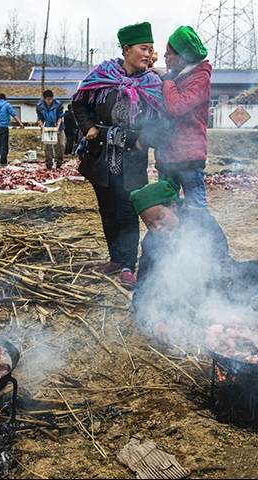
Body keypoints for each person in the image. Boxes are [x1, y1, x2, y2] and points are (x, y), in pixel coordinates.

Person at [72, 21, 166, 289]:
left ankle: (128, 265)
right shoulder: (103, 76)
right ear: (126, 50)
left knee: (127, 211)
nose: (149, 54)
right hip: (101, 157)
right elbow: (79, 103)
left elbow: (163, 121)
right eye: (143, 48)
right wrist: (88, 126)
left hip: (131, 161)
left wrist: (144, 140)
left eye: (151, 49)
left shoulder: (152, 84)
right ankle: (115, 258)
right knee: (108, 210)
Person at [130, 179, 258, 347]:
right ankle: (198, 313)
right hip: (180, 292)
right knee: (166, 295)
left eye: (160, 217)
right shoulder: (150, 243)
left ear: (174, 206)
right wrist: (156, 322)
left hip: (213, 283)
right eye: (149, 224)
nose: (157, 227)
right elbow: (142, 290)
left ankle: (232, 309)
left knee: (255, 271)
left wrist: (217, 302)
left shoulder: (201, 219)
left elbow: (221, 260)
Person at [150, 25, 212, 209]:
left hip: (188, 155)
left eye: (169, 54)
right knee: (169, 206)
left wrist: (166, 79)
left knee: (196, 206)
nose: (165, 57)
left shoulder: (200, 78)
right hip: (167, 156)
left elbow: (177, 106)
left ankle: (208, 238)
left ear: (182, 57)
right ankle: (174, 239)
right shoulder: (179, 76)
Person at [36, 89, 65, 170]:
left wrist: (58, 126)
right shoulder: (40, 107)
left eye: (51, 99)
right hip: (47, 128)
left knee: (61, 145)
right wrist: (42, 127)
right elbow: (40, 118)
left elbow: (60, 116)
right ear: (44, 99)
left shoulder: (57, 105)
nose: (50, 101)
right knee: (47, 147)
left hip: (58, 127)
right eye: (48, 99)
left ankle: (59, 163)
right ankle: (49, 164)